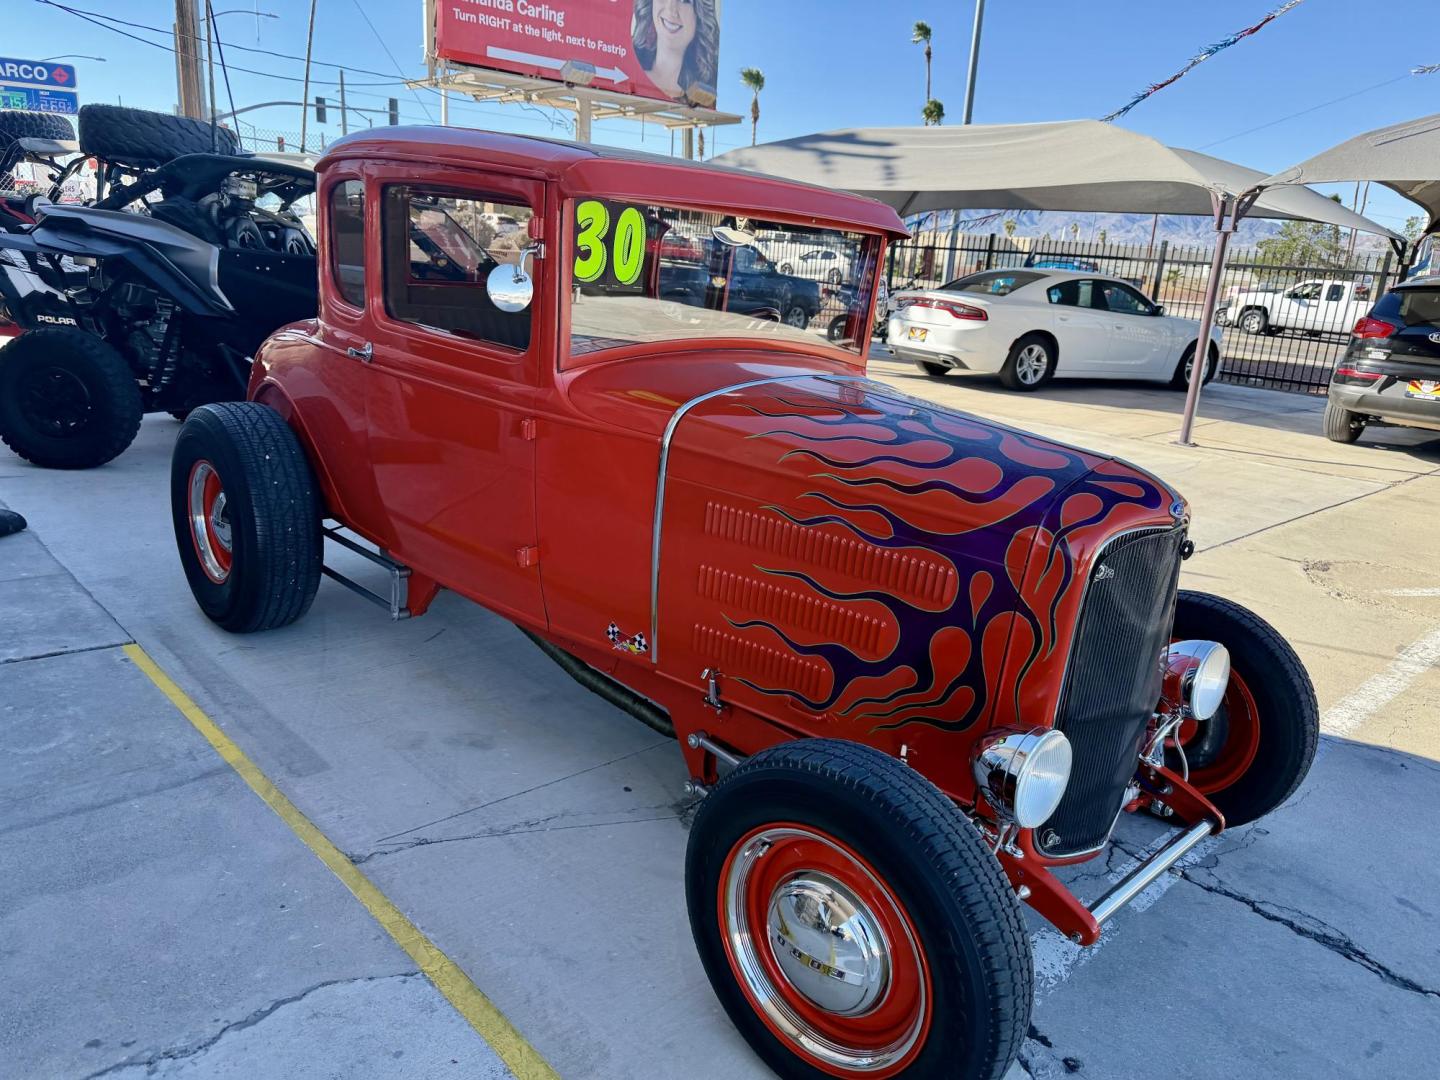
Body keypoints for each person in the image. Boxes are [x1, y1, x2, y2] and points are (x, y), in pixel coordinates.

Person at [632, 0, 719, 105]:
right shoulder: (628, 68)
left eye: (685, 1)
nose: (671, 10)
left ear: (700, 16)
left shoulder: (702, 93)